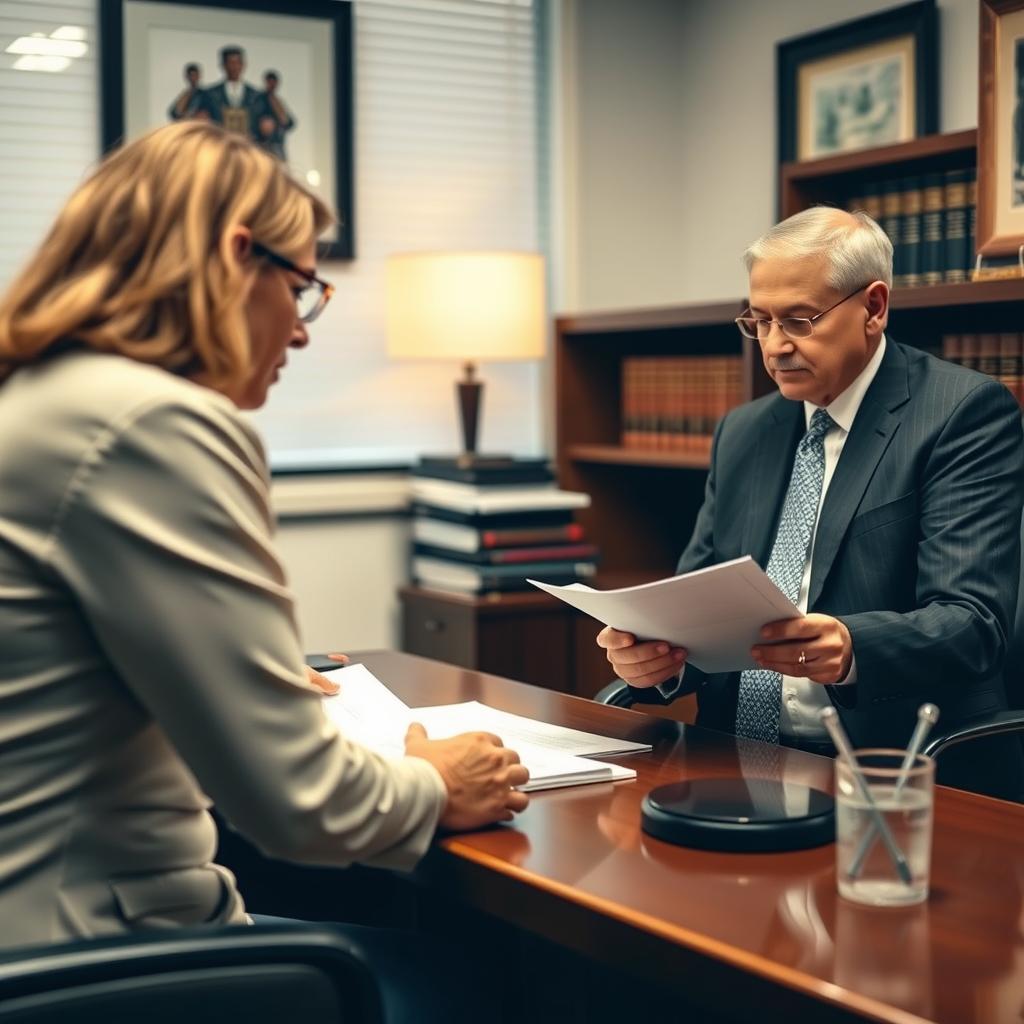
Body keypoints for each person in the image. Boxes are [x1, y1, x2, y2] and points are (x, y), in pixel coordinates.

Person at [0, 120, 528, 1018]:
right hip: (99, 952)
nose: (304, 329)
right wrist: (439, 781)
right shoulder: (152, 421)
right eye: (305, 287)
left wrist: (237, 690)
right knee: (506, 988)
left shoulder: (39, 398)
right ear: (237, 255)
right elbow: (305, 805)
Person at [598, 206, 1024, 801]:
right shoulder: (744, 432)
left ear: (873, 308)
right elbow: (693, 603)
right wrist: (657, 661)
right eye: (760, 321)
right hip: (732, 759)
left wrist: (851, 646)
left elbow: (973, 623)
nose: (774, 346)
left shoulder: (962, 415)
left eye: (799, 319)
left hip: (892, 768)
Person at [198, 45, 263, 137]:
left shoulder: (256, 96)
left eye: (237, 63)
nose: (234, 67)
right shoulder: (210, 94)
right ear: (223, 66)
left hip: (247, 145)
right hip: (219, 144)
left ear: (243, 65)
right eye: (230, 63)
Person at [255, 69, 296, 161]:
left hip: (278, 142)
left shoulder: (278, 101)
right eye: (270, 82)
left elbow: (290, 122)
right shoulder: (260, 99)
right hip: (266, 143)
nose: (272, 85)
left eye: (274, 82)